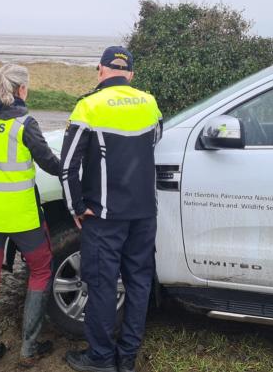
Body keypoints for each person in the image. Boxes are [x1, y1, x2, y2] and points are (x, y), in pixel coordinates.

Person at [60, 47, 163, 372]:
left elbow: (67, 167)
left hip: (104, 216)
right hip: (144, 212)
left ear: (101, 71)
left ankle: (101, 358)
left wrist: (76, 206)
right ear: (130, 74)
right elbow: (155, 138)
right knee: (139, 283)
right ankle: (127, 358)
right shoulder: (149, 102)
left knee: (103, 285)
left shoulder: (88, 106)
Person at [0, 64, 61, 370]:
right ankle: (29, 349)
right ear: (20, 90)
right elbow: (50, 163)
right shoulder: (24, 124)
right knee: (42, 270)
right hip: (22, 216)